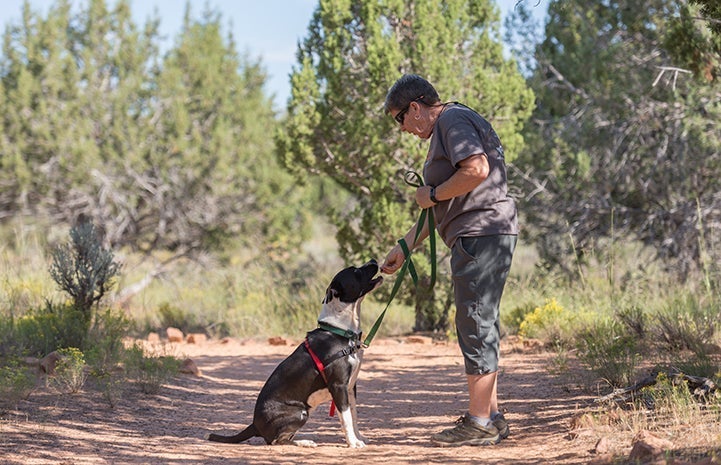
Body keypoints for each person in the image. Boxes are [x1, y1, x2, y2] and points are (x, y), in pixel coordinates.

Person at [380, 74, 518, 447]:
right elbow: (441, 204)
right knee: (480, 322)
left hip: (480, 233)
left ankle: (479, 423)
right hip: (485, 231)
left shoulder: (451, 121)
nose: (403, 128)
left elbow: (476, 170)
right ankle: (491, 416)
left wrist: (435, 193)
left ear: (415, 108)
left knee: (474, 321)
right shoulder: (453, 122)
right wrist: (404, 247)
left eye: (400, 119)